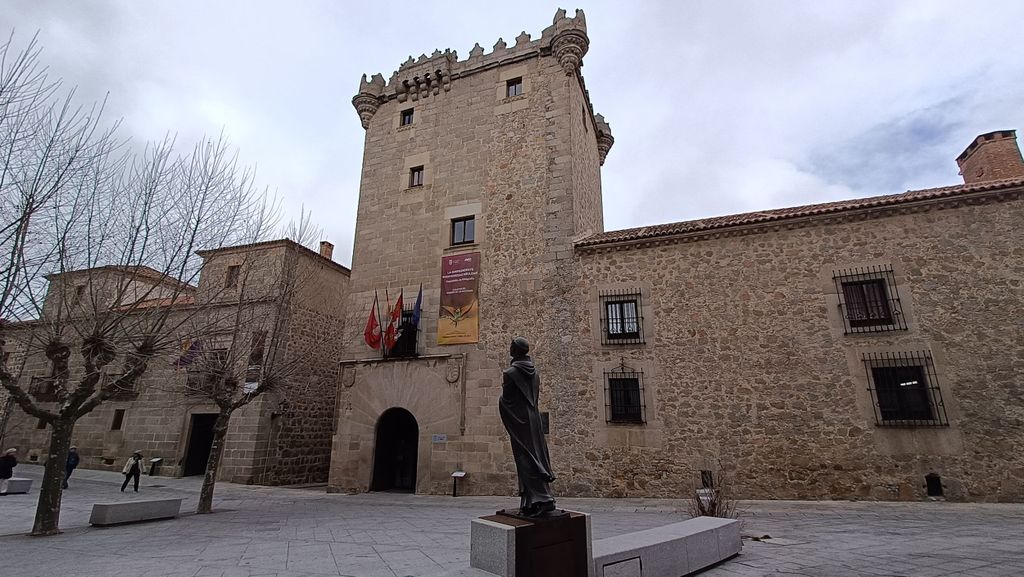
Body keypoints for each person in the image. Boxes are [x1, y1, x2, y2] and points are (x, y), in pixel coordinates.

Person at [498, 336, 557, 517]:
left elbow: (506, 400)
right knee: (536, 454)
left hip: (520, 420)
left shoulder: (510, 373)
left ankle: (543, 499)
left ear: (515, 350)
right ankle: (531, 501)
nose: (509, 348)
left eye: (511, 346)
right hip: (534, 418)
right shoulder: (535, 372)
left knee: (525, 457)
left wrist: (501, 403)